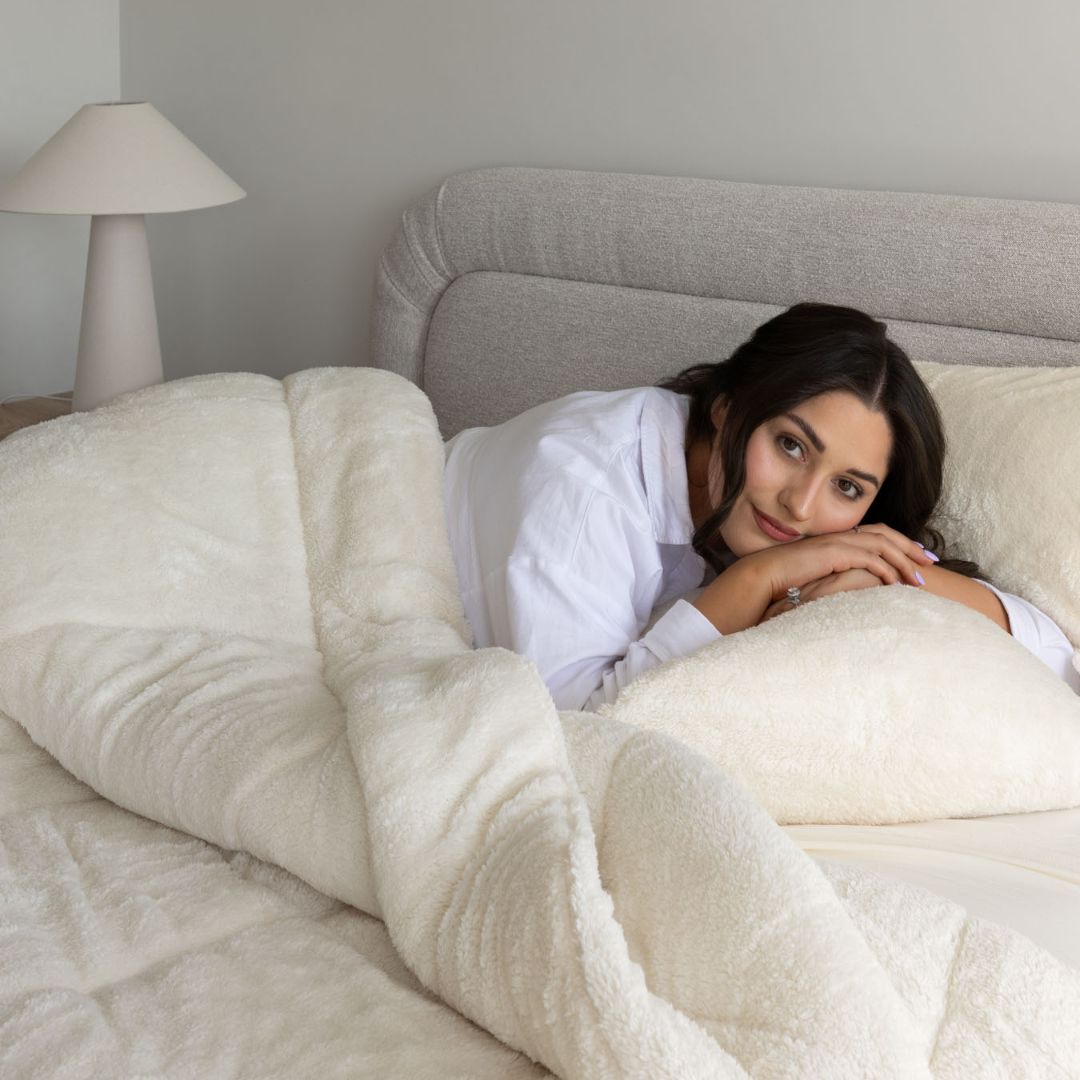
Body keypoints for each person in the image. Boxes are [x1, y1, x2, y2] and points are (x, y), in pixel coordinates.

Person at [443, 303, 1079, 710]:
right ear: (725, 407)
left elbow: (1057, 659)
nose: (800, 505)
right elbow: (579, 730)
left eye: (848, 487)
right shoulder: (584, 490)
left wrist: (882, 573)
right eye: (791, 444)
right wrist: (756, 579)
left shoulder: (773, 518)